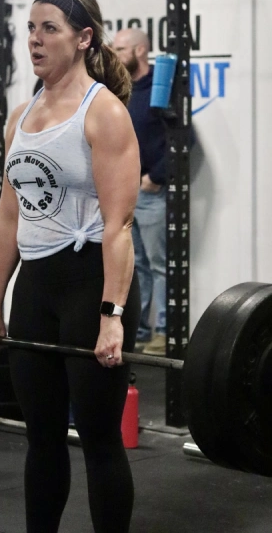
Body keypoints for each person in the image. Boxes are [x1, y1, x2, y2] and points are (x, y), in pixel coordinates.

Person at [0, 0, 141, 533]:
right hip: (37, 288)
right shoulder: (20, 117)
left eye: (50, 28)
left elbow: (118, 226)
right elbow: (9, 217)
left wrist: (111, 316)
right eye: (31, 28)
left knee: (98, 439)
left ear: (83, 38)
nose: (35, 39)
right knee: (41, 437)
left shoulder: (104, 112)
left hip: (91, 283)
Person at [112, 28, 167, 356]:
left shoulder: (162, 90)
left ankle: (164, 332)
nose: (115, 55)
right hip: (125, 193)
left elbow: (183, 138)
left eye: (121, 49)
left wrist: (155, 177)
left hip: (151, 194)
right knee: (136, 267)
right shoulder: (120, 91)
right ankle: (141, 330)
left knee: (159, 266)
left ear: (141, 51)